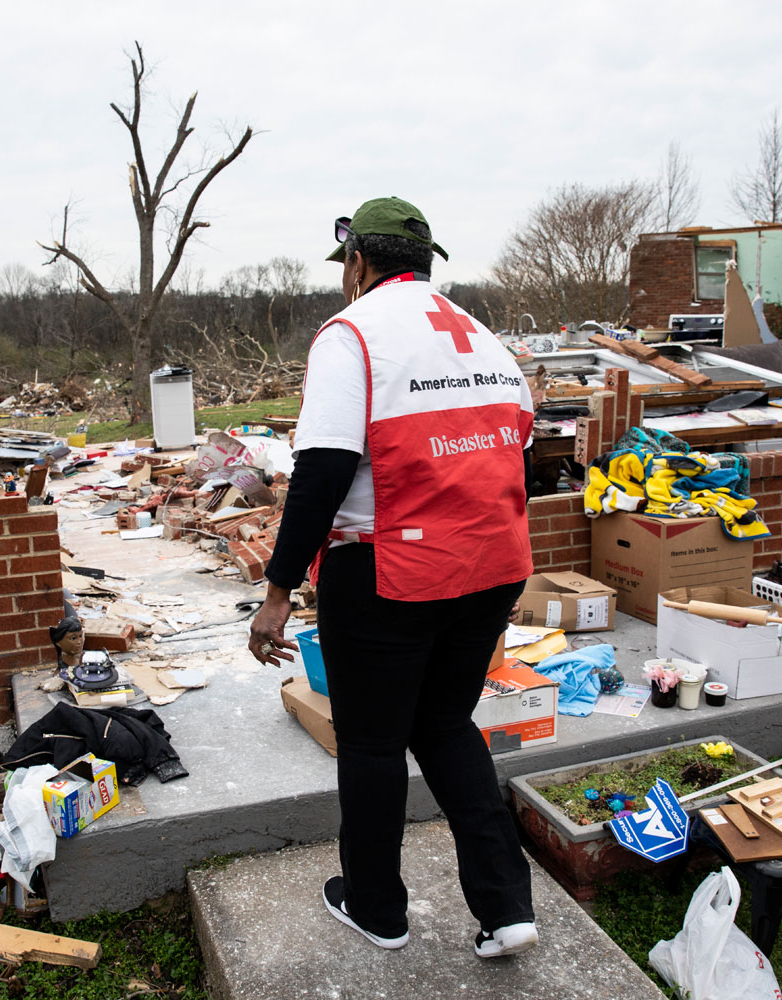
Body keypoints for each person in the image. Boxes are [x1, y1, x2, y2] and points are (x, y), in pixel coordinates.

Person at [247, 197, 540, 959]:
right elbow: (516, 447)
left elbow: (322, 473)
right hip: (493, 565)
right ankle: (507, 907)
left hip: (391, 572)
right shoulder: (479, 336)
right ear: (425, 263)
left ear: (359, 263)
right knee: (444, 726)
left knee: (374, 745)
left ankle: (377, 907)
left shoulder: (353, 336)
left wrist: (277, 591)